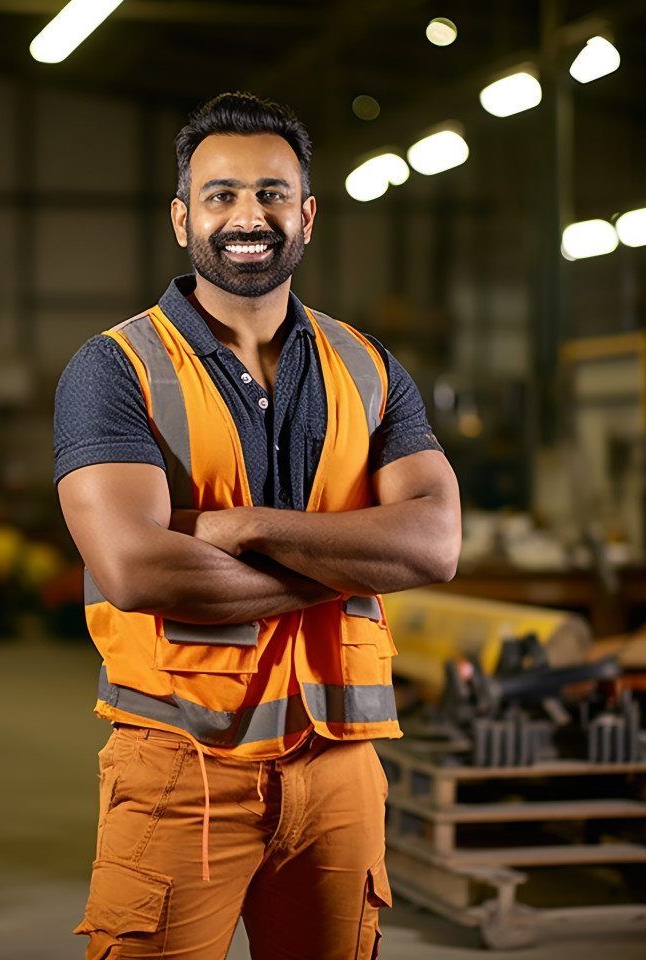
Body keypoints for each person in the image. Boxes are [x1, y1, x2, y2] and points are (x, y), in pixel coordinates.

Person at [53, 92, 461, 960]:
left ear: (307, 215)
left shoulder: (369, 366)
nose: (249, 216)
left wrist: (237, 526)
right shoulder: (114, 369)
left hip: (341, 768)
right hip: (180, 766)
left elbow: (433, 543)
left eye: (273, 194)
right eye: (222, 195)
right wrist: (351, 561)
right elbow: (137, 570)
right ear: (182, 217)